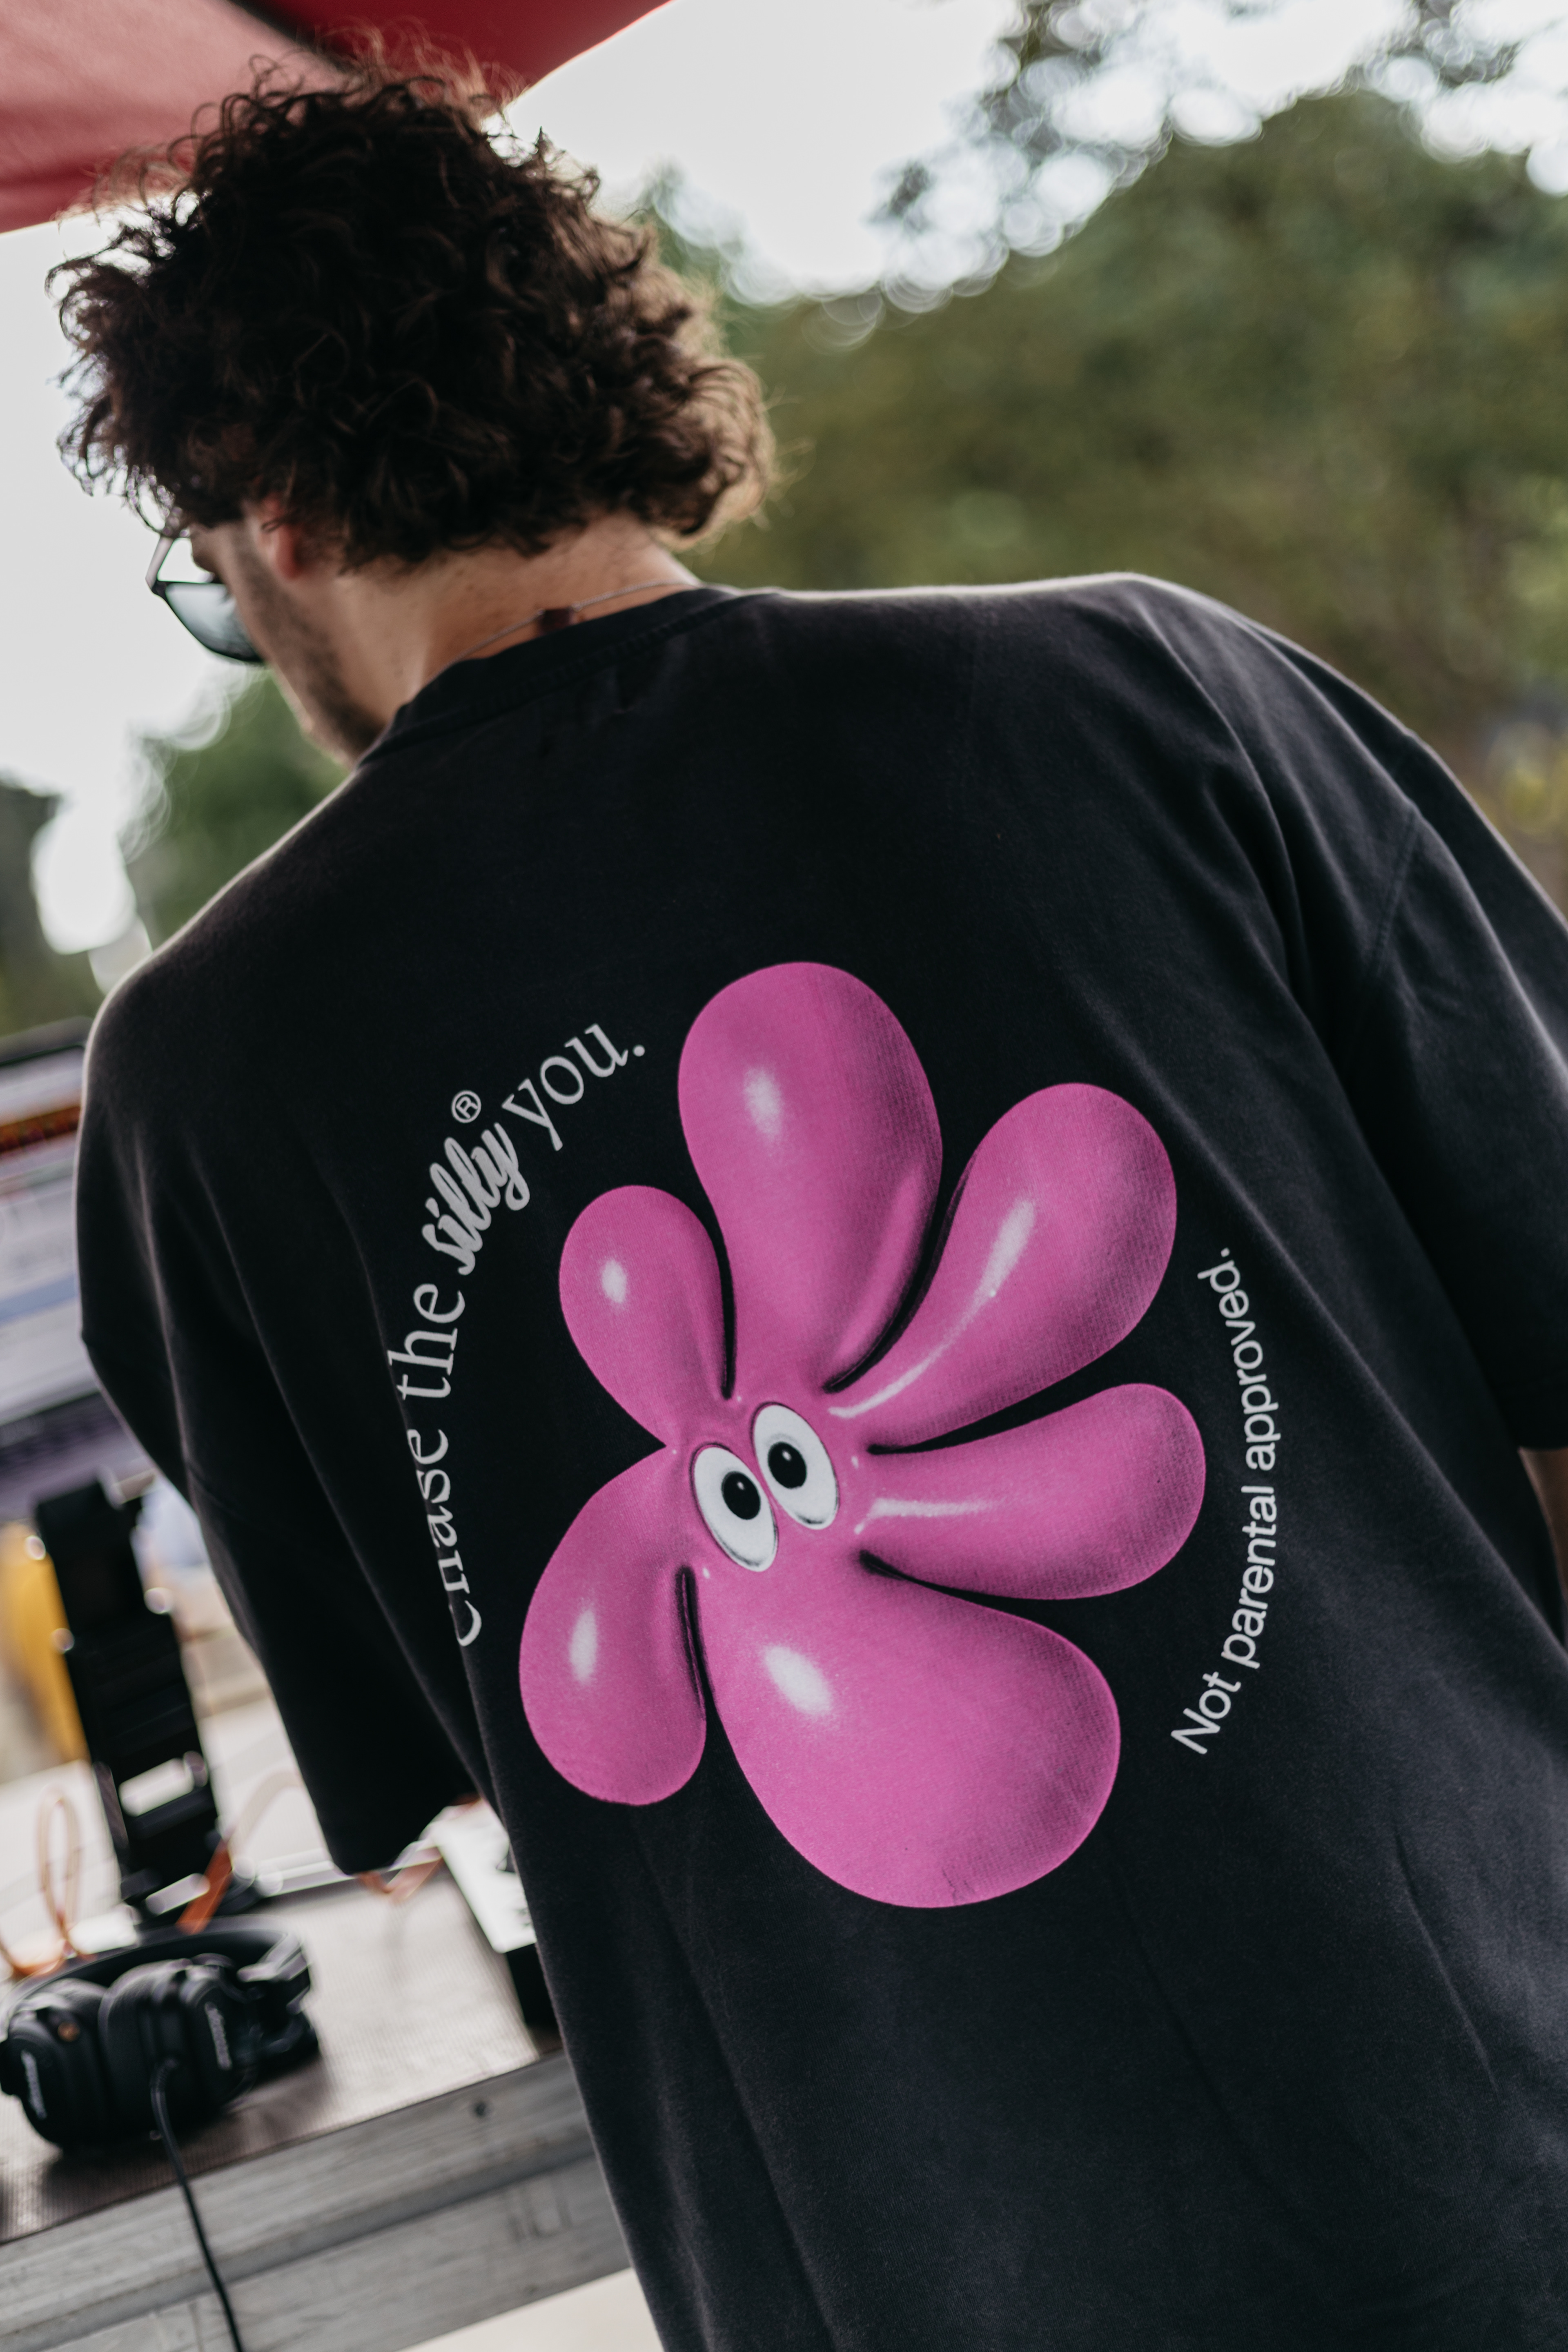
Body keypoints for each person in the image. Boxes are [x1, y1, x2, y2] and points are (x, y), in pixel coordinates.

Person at [60, 69, 1568, 2352]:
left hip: (897, 2280)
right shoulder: (1157, 691)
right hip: (1510, 2146)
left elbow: (467, 1752)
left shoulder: (199, 1084)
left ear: (268, 510)